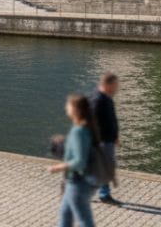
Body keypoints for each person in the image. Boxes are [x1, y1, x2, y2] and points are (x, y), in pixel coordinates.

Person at [48, 93, 99, 227]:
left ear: (75, 110)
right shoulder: (87, 128)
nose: (66, 108)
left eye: (68, 105)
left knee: (84, 221)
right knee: (65, 215)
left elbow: (79, 161)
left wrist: (58, 167)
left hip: (78, 183)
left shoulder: (78, 131)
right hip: (78, 181)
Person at [89, 73, 120, 206]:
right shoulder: (98, 99)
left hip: (108, 139)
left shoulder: (106, 97)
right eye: (115, 85)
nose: (117, 88)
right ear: (108, 85)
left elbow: (111, 119)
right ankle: (104, 195)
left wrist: (115, 136)